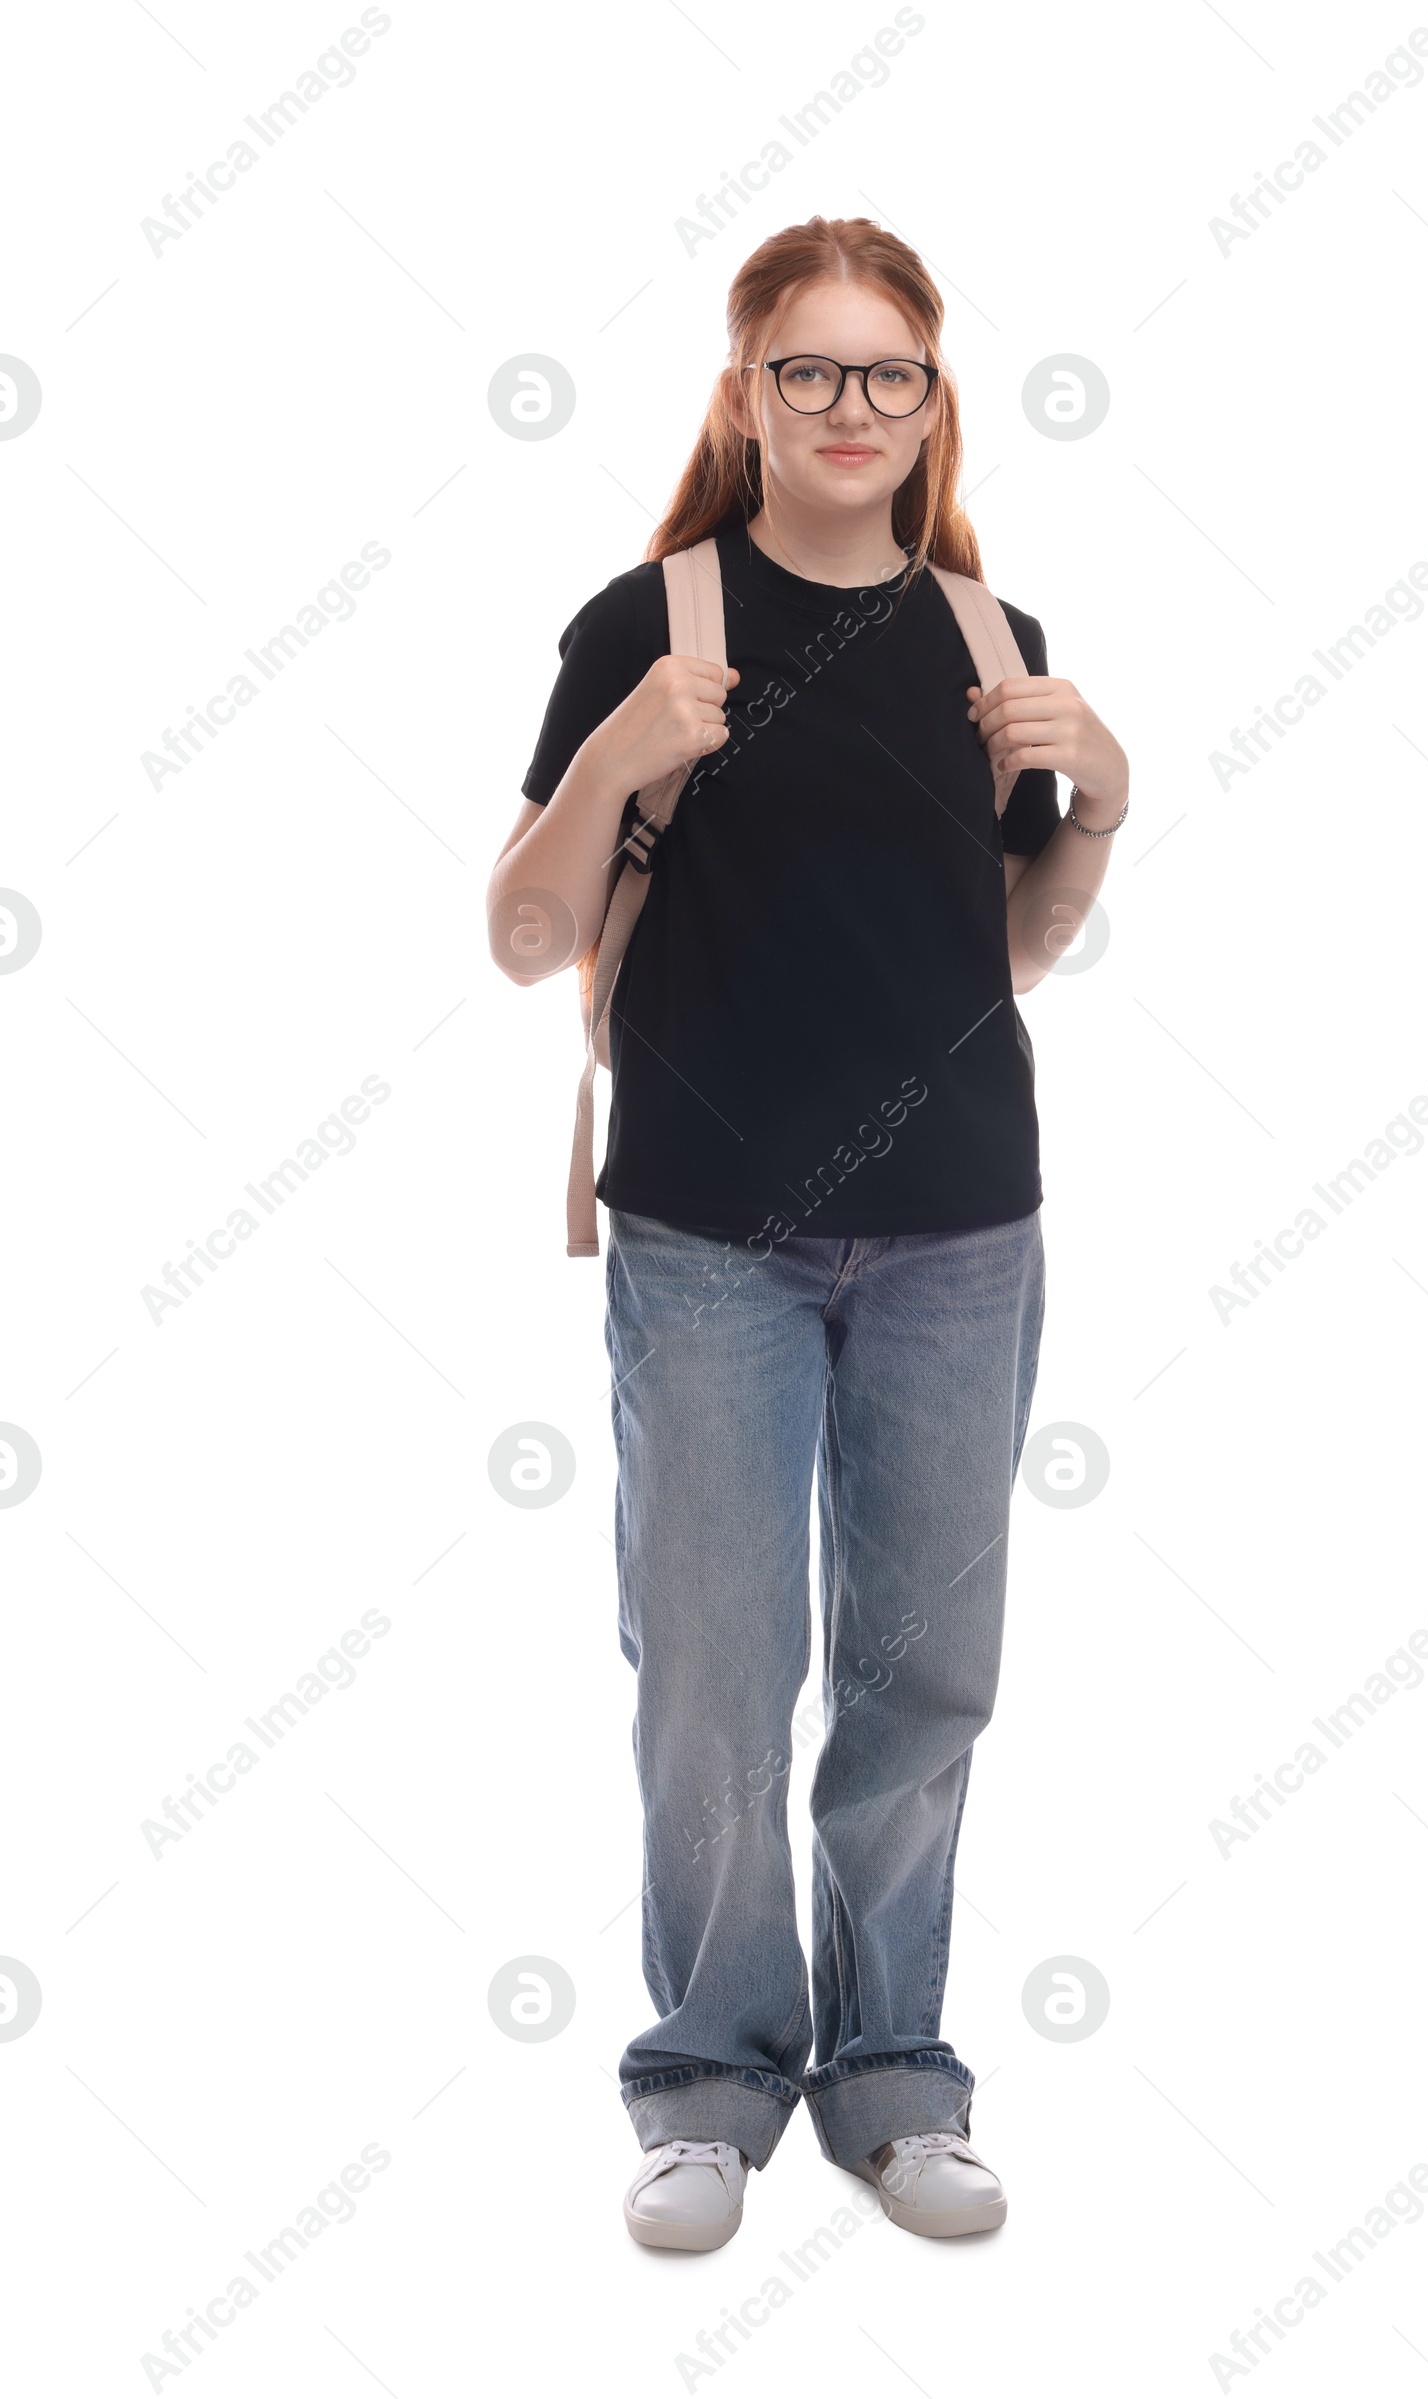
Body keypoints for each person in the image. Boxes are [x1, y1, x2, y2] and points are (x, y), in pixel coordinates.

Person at [486, 214, 1128, 2250]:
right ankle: (707, 2075)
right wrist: (615, 756)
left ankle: (889, 2071)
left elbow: (1002, 954)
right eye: (809, 370)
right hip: (709, 1240)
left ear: (930, 403)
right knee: (713, 1666)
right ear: (740, 391)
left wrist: (1094, 806)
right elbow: (521, 936)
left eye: (890, 375)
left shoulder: (985, 635)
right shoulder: (648, 622)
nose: (851, 409)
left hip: (958, 1237)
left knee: (925, 1670)